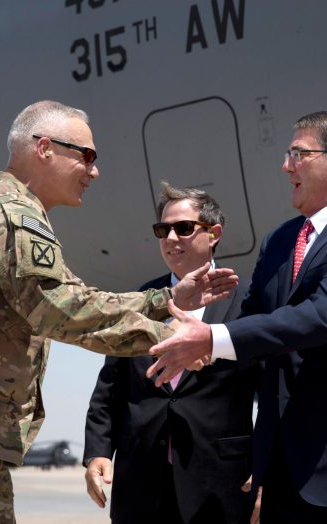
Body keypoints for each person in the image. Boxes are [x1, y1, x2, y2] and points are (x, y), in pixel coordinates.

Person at [0, 101, 237, 524]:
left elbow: (71, 296)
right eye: (87, 156)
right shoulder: (10, 212)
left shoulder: (13, 212)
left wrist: (162, 302)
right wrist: (177, 337)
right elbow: (58, 308)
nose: (93, 171)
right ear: (44, 148)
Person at [147, 111, 327, 523]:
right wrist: (206, 350)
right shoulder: (281, 240)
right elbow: (254, 327)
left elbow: (322, 317)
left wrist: (212, 339)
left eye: (298, 154)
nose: (286, 166)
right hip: (284, 460)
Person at [83, 183, 261, 524]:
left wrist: (267, 467)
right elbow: (111, 388)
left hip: (220, 484)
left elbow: (272, 391)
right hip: (140, 483)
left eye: (183, 228)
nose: (171, 238)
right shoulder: (141, 299)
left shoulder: (248, 303)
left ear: (214, 234)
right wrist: (97, 452)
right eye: (163, 230)